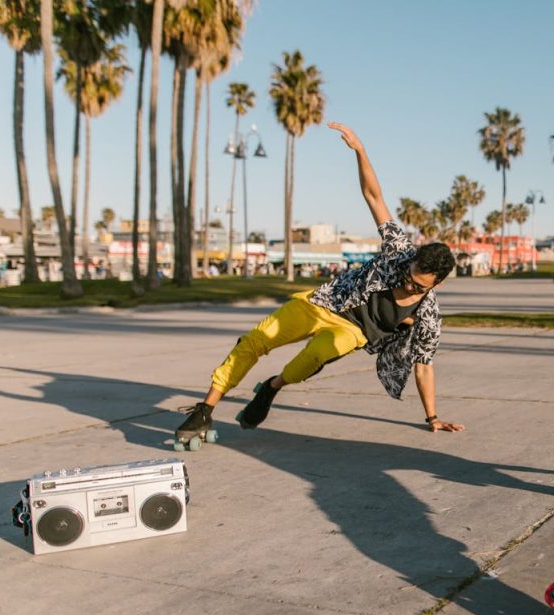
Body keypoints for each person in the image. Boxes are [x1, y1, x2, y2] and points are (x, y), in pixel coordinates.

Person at [175, 122, 465, 446]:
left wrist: (433, 417)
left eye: (418, 287)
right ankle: (204, 409)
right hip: (321, 303)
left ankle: (271, 387)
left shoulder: (428, 314)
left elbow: (424, 365)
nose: (408, 285)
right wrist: (361, 151)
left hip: (351, 332)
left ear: (435, 286)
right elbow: (374, 196)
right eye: (408, 277)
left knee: (314, 356)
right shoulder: (399, 250)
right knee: (256, 340)